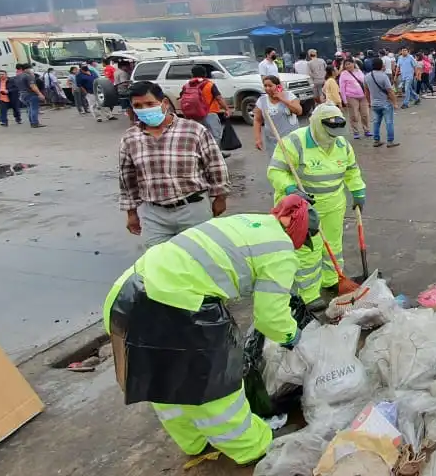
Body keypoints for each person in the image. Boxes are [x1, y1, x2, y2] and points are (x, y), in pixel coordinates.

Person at [101, 194, 314, 466]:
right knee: (216, 386)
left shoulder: (251, 222)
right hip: (174, 304)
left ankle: (194, 441)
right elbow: (270, 318)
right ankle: (252, 447)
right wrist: (293, 336)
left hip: (125, 295)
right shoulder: (281, 249)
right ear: (299, 230)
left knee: (164, 380)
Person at [268, 104, 366, 303]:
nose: (333, 137)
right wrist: (290, 188)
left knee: (333, 244)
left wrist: (357, 190)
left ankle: (331, 280)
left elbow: (351, 170)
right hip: (302, 209)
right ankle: (310, 296)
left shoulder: (342, 144)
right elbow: (276, 171)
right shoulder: (294, 142)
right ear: (317, 125)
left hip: (333, 205)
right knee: (308, 251)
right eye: (329, 132)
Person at [119, 81, 230, 248]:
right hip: (154, 214)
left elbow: (215, 165)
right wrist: (131, 213)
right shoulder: (130, 138)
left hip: (193, 208)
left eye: (150, 104)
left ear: (164, 103)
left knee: (200, 258)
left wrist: (220, 197)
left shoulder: (193, 130)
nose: (144, 109)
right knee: (159, 264)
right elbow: (127, 179)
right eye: (138, 106)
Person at [182, 65, 230, 152]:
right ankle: (215, 154)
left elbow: (182, 99)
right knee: (215, 135)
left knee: (198, 136)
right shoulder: (209, 84)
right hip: (209, 113)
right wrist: (226, 109)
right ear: (205, 74)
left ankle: (201, 154)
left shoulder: (187, 85)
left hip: (193, 115)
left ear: (192, 75)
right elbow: (219, 98)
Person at [253, 75, 302, 160]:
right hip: (273, 141)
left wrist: (282, 99)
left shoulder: (289, 96)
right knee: (277, 165)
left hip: (291, 139)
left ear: (278, 86)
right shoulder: (262, 101)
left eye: (270, 86)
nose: (267, 88)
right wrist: (258, 139)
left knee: (293, 162)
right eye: (265, 86)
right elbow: (257, 120)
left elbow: (298, 111)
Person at [364, 57, 399, 148]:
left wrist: (369, 102)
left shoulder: (367, 76)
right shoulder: (384, 76)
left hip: (374, 103)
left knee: (376, 122)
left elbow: (366, 91)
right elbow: (390, 91)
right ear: (381, 65)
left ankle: (376, 140)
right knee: (389, 122)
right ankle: (390, 141)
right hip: (385, 103)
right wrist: (395, 103)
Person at [338, 58, 371, 139]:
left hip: (363, 96)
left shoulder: (359, 71)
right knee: (354, 115)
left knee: (365, 114)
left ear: (353, 63)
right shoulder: (343, 74)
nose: (348, 66)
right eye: (346, 64)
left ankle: (366, 130)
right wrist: (344, 100)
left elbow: (365, 82)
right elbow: (342, 88)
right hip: (351, 97)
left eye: (349, 63)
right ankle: (355, 132)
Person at [16, 64, 46, 128]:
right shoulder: (29, 76)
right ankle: (35, 123)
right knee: (34, 109)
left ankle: (32, 122)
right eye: (30, 68)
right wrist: (40, 94)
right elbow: (33, 86)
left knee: (30, 109)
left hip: (22, 94)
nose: (31, 70)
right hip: (31, 94)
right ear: (27, 69)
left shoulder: (18, 76)